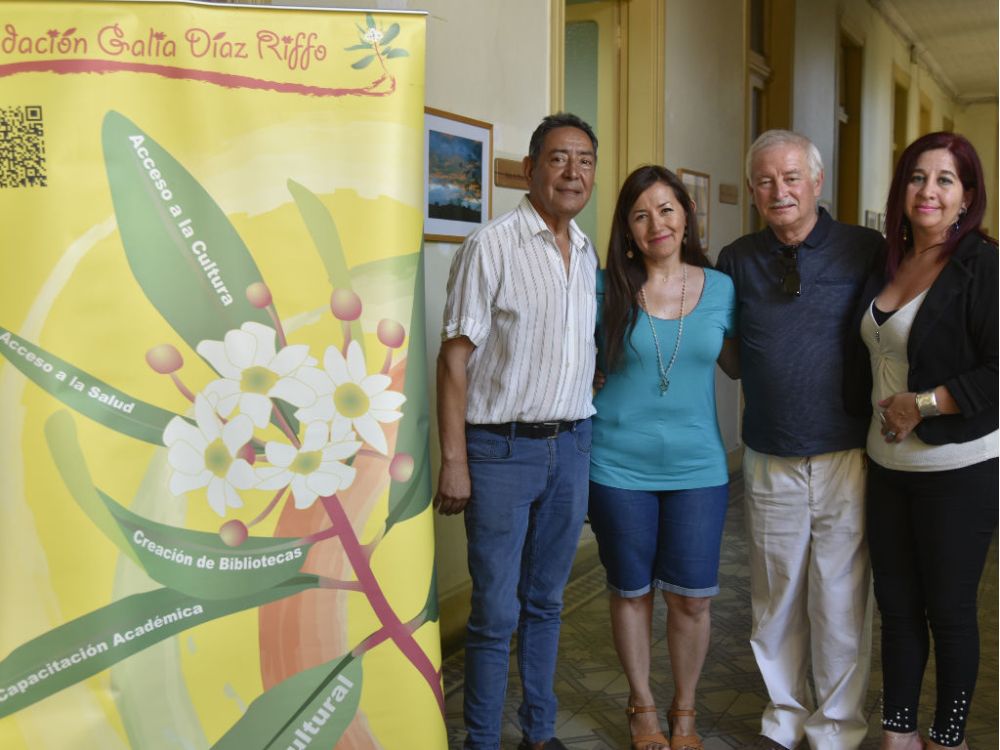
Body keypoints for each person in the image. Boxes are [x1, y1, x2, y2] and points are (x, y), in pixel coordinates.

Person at [434, 112, 599, 750]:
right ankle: (482, 739)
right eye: (558, 158)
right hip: (500, 451)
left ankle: (539, 732)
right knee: (496, 611)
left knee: (547, 603)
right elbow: (454, 359)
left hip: (572, 446)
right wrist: (456, 461)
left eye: (584, 159)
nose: (572, 172)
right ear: (530, 168)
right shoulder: (491, 245)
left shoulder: (586, 253)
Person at [715, 130, 884, 750]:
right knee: (775, 594)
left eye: (791, 178)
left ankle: (837, 727)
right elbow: (727, 351)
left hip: (847, 451)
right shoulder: (736, 258)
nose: (778, 190)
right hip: (767, 450)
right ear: (755, 191)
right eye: (765, 180)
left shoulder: (865, 249)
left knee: (841, 597)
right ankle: (785, 718)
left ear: (817, 182)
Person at [844, 131, 998, 750]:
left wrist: (925, 404)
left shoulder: (982, 265)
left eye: (944, 180)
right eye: (917, 178)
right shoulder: (891, 261)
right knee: (899, 609)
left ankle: (948, 736)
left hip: (958, 467)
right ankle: (899, 733)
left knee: (951, 612)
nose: (928, 191)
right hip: (886, 467)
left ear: (966, 197)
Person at [589, 165, 739, 750]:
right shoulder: (606, 287)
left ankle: (684, 708)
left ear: (686, 215)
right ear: (628, 228)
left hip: (699, 468)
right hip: (617, 464)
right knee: (631, 590)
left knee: (692, 596)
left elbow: (741, 362)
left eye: (667, 209)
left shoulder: (721, 288)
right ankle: (642, 704)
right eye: (641, 214)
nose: (657, 223)